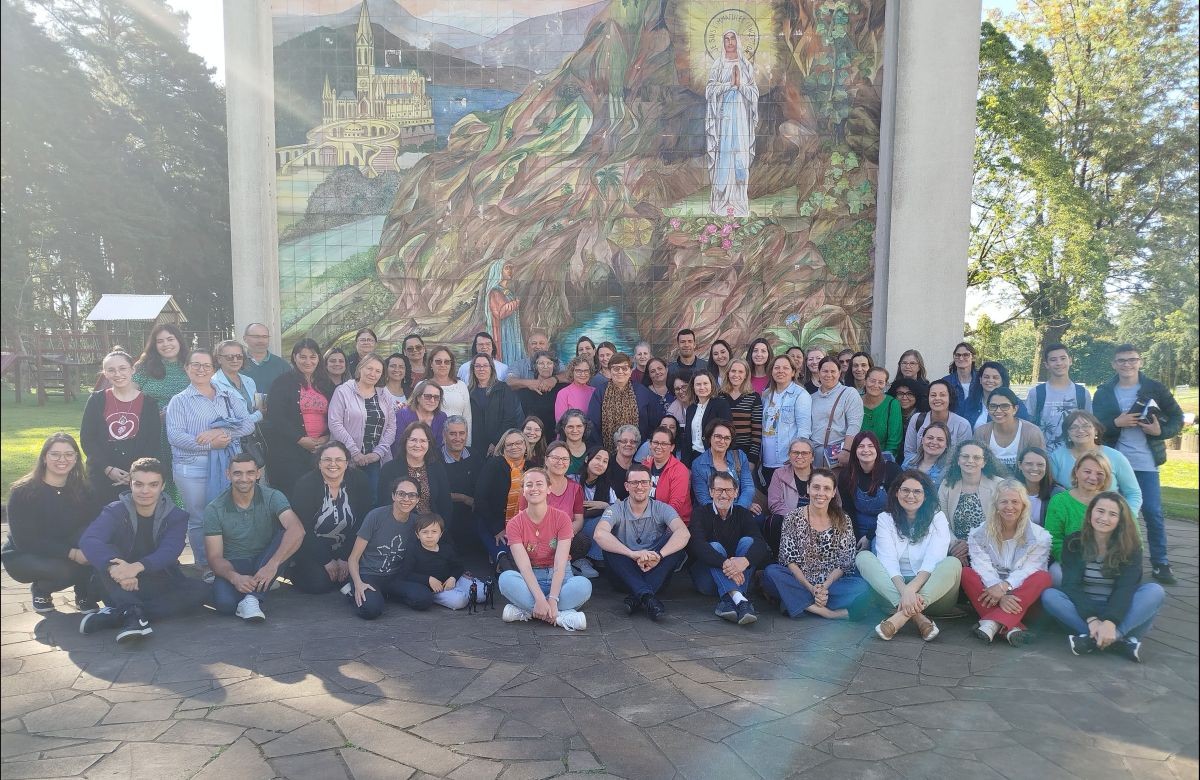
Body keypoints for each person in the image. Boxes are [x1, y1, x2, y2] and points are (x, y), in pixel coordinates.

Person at [77, 458, 209, 643]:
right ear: (130, 483)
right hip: (118, 583)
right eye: (138, 484)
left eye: (153, 485)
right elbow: (89, 540)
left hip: (156, 580)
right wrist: (115, 568)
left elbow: (170, 551)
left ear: (163, 486)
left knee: (201, 591)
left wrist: (136, 567)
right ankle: (132, 614)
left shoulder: (176, 516)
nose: (145, 491)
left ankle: (124, 614)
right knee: (108, 554)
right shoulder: (115, 510)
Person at [1092, 344, 1184, 584]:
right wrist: (1116, 422)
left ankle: (1161, 563)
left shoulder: (1155, 388)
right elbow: (1096, 425)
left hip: (1146, 463)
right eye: (1121, 360)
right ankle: (1113, 561)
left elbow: (1177, 418)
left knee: (1152, 512)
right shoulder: (1104, 391)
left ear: (1140, 361)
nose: (1127, 364)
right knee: (1110, 513)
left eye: (1132, 360)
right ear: (1114, 364)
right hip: (1114, 462)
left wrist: (1160, 430)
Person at [1041, 492, 1164, 661]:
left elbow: (1126, 589)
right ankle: (1120, 643)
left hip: (1121, 613)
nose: (1104, 518)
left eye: (1112, 514)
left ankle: (1099, 639)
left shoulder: (1131, 547)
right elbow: (1071, 586)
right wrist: (1092, 619)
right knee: (1050, 596)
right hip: (1083, 613)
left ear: (1120, 519)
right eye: (1100, 511)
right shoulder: (1074, 542)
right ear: (1091, 512)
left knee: (1155, 591)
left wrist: (1110, 622)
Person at [165, 348, 255, 569]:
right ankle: (205, 565)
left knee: (228, 514)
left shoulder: (228, 395)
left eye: (206, 365)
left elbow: (247, 423)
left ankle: (230, 560)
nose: (201, 369)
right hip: (192, 467)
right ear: (186, 368)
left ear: (213, 369)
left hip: (226, 465)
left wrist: (221, 435)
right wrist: (207, 444)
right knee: (199, 518)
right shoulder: (180, 401)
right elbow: (175, 436)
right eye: (195, 364)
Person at [856, 471, 962, 641]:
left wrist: (911, 590)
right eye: (905, 490)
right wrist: (905, 592)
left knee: (953, 563)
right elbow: (888, 562)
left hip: (934, 595)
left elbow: (933, 561)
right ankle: (919, 618)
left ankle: (899, 618)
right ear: (896, 492)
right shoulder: (885, 519)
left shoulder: (937, 517)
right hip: (893, 592)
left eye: (917, 491)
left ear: (925, 495)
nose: (910, 495)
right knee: (863, 558)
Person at [2, 434, 100, 613]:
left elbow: (93, 527)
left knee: (93, 545)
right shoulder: (23, 492)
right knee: (68, 570)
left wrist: (88, 550)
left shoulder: (84, 489)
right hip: (25, 554)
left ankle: (84, 594)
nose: (62, 459)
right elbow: (26, 542)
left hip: (67, 545)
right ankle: (41, 590)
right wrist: (72, 553)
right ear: (44, 458)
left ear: (76, 458)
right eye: (55, 454)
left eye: (69, 454)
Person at [203, 454, 305, 622]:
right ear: (228, 474)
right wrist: (235, 578)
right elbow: (214, 557)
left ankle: (252, 598)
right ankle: (259, 587)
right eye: (237, 473)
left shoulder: (273, 496)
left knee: (287, 535)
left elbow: (297, 529)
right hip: (235, 563)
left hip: (266, 558)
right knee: (225, 605)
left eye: (250, 473)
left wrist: (272, 565)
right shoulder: (214, 509)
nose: (244, 478)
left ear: (258, 474)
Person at [763, 469, 870, 619]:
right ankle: (826, 612)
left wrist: (824, 587)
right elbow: (789, 560)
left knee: (862, 587)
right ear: (808, 489)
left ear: (833, 493)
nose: (821, 493)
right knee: (771, 573)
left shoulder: (843, 520)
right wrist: (811, 588)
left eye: (827, 488)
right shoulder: (792, 517)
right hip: (799, 581)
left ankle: (796, 602)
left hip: (831, 585)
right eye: (816, 487)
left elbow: (845, 562)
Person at [594, 464, 691, 621]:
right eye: (634, 483)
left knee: (675, 542)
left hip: (654, 570)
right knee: (609, 545)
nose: (640, 487)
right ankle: (647, 596)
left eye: (644, 482)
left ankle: (638, 596)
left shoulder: (661, 508)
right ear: (626, 486)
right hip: (624, 575)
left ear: (651, 484)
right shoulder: (616, 509)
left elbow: (683, 533)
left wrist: (659, 556)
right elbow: (599, 534)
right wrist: (632, 554)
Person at [498, 468, 591, 630]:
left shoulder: (562, 518)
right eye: (529, 485)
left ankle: (527, 611)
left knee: (583, 585)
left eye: (539, 484)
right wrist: (540, 599)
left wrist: (553, 599)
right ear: (523, 491)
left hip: (562, 579)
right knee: (505, 579)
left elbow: (560, 564)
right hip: (531, 579)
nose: (534, 488)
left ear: (549, 489)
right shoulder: (514, 524)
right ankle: (561, 616)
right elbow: (524, 567)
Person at [962, 479, 1052, 645]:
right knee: (966, 573)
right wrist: (999, 593)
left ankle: (991, 624)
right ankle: (1011, 629)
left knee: (1042, 577)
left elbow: (1029, 570)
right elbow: (983, 568)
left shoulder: (1040, 537)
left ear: (1024, 505)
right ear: (995, 505)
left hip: (1023, 600)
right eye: (1004, 501)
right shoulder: (978, 534)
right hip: (991, 596)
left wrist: (1004, 588)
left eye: (1015, 502)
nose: (1009, 507)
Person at [288, 441, 373, 594]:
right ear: (319, 463)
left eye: (339, 460)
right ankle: (293, 571)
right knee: (319, 584)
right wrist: (326, 560)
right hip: (314, 548)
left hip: (350, 547)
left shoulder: (360, 480)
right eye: (327, 460)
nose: (333, 464)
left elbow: (363, 521)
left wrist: (346, 557)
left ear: (347, 463)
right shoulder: (305, 485)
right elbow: (303, 528)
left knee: (361, 576)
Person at [81, 349, 162, 505]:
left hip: (137, 479)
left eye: (122, 368)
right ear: (105, 373)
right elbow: (87, 439)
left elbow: (152, 443)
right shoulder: (96, 401)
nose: (117, 374)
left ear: (132, 370)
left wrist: (135, 474)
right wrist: (107, 469)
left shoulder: (149, 404)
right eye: (111, 370)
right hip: (102, 474)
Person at [346, 477, 433, 619]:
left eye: (412, 495)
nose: (406, 499)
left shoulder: (416, 522)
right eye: (401, 494)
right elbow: (353, 558)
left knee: (425, 599)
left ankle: (383, 595)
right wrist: (358, 583)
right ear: (393, 496)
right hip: (369, 575)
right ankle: (355, 593)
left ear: (418, 499)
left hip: (395, 577)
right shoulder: (375, 516)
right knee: (371, 610)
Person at [689, 472, 769, 624]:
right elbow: (697, 545)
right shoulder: (700, 513)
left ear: (736, 492)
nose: (723, 495)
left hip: (739, 575)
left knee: (748, 541)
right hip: (708, 580)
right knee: (714, 546)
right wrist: (725, 563)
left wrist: (745, 561)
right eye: (719, 490)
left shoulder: (743, 514)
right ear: (711, 492)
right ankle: (742, 600)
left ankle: (729, 600)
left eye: (728, 490)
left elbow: (760, 544)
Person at [263, 339, 332, 499]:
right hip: (289, 452)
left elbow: (335, 414)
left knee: (318, 496)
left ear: (319, 358)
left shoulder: (326, 383)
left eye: (313, 357)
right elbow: (276, 416)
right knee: (293, 495)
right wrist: (300, 439)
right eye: (303, 357)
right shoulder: (282, 382)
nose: (308, 361)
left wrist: (326, 437)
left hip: (320, 449)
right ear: (294, 357)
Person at [519, 441, 594, 578]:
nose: (560, 462)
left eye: (565, 459)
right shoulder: (533, 484)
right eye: (555, 458)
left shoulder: (575, 488)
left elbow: (578, 519)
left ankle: (567, 564)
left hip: (563, 538)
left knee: (583, 541)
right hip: (535, 537)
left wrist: (565, 533)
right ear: (546, 460)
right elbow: (522, 518)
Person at [328, 352, 396, 500]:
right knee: (345, 500)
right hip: (346, 458)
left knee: (373, 500)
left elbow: (391, 427)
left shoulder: (385, 395)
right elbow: (335, 423)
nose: (373, 373)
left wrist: (378, 453)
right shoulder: (343, 391)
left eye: (378, 371)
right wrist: (354, 452)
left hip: (375, 460)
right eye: (369, 368)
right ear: (360, 369)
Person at [706, 29, 758, 217]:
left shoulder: (746, 65)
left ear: (738, 41)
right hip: (723, 118)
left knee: (740, 156)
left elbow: (754, 93)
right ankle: (721, 203)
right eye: (726, 39)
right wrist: (729, 85)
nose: (729, 42)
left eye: (732, 38)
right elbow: (709, 90)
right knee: (725, 155)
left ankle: (739, 203)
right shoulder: (718, 64)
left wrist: (741, 86)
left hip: (741, 118)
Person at [1048, 410, 1142, 513]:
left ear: (1096, 430)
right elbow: (1052, 490)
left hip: (1107, 518)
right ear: (1067, 434)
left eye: (1086, 426)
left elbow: (1133, 493)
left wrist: (1127, 517)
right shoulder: (1057, 457)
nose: (1080, 430)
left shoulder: (1116, 457)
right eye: (1073, 427)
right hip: (1069, 516)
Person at [133, 323, 190, 482]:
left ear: (179, 340)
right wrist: (150, 416)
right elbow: (130, 395)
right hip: (152, 430)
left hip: (184, 430)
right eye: (160, 341)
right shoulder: (145, 366)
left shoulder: (191, 365)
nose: (166, 344)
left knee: (179, 477)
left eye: (170, 339)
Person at [940, 441, 1005, 564]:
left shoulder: (999, 485)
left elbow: (1003, 524)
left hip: (990, 549)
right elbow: (941, 522)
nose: (970, 460)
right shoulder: (947, 484)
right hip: (956, 550)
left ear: (984, 462)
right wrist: (956, 547)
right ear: (958, 460)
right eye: (965, 456)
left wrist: (972, 545)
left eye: (976, 457)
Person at [378, 421, 454, 525]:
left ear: (429, 444)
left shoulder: (437, 468)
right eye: (413, 440)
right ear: (405, 442)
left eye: (423, 441)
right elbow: (384, 504)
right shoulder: (389, 469)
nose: (418, 445)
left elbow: (445, 503)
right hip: (400, 527)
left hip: (431, 530)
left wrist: (440, 530)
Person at [1045, 451, 1113, 565]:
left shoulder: (1113, 502)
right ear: (1076, 471)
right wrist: (1073, 562)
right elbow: (1053, 539)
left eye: (1100, 473)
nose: (1093, 477)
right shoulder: (1059, 501)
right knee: (1056, 575)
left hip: (1108, 562)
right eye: (1087, 471)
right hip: (1071, 561)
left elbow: (1130, 537)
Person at [404, 513, 482, 610]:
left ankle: (464, 591)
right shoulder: (413, 550)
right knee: (459, 601)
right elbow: (406, 573)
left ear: (441, 534)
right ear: (417, 534)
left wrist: (453, 578)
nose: (429, 536)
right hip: (436, 589)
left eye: (434, 532)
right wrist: (428, 579)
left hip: (451, 580)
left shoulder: (446, 548)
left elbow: (458, 566)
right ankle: (461, 594)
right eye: (425, 532)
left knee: (483, 593)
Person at [474, 429, 528, 569]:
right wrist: (497, 529)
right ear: (503, 447)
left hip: (522, 523)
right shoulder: (494, 465)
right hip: (492, 521)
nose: (514, 447)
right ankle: (501, 562)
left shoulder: (532, 467)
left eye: (518, 443)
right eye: (509, 444)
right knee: (504, 555)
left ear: (525, 445)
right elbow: (480, 498)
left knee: (520, 557)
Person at [838, 431, 901, 550]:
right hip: (857, 526)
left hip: (887, 527)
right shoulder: (846, 475)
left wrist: (870, 536)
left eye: (870, 446)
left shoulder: (892, 471)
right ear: (855, 451)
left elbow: (897, 509)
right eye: (861, 446)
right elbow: (848, 510)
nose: (866, 450)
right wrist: (854, 537)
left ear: (877, 449)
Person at [586, 353, 664, 448]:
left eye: (624, 368)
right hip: (607, 451)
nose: (620, 371)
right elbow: (593, 424)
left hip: (638, 450)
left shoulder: (642, 392)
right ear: (610, 371)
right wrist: (599, 449)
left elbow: (653, 423)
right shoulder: (600, 392)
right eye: (616, 368)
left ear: (631, 371)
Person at [1027, 342, 1092, 451]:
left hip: (1074, 455)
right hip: (1044, 457)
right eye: (1053, 360)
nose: (1059, 363)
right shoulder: (1037, 393)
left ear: (1070, 360)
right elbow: (1028, 426)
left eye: (1063, 358)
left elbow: (1089, 426)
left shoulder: (1082, 393)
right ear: (1046, 364)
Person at [760, 355, 812, 489]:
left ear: (793, 372)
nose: (780, 371)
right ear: (771, 371)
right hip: (766, 461)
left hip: (787, 462)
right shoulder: (766, 395)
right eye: (776, 368)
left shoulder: (800, 395)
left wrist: (796, 456)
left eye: (785, 368)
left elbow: (804, 430)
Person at [973, 387, 1045, 475]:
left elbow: (1039, 467)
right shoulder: (981, 433)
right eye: (993, 406)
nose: (998, 410)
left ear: (1015, 409)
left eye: (1005, 406)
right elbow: (976, 465)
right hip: (990, 485)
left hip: (1023, 485)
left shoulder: (1032, 433)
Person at [808, 357, 864, 468]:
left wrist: (847, 450)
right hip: (814, 454)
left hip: (838, 453)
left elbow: (854, 425)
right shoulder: (811, 397)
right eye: (825, 371)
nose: (829, 375)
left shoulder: (849, 393)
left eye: (833, 371)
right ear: (819, 373)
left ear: (839, 373)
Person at [690, 420, 758, 512]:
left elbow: (748, 487)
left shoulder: (740, 456)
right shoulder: (698, 464)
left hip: (739, 508)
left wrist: (741, 507)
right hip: (712, 513)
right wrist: (729, 513)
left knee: (758, 518)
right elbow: (704, 500)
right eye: (718, 436)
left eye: (727, 438)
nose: (722, 441)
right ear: (710, 437)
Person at [901, 379, 972, 462]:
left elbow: (963, 457)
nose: (937, 398)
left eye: (942, 395)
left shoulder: (962, 425)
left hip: (948, 473)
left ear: (950, 398)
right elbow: (909, 452)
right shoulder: (917, 419)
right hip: (919, 471)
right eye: (933, 395)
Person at [467, 352, 523, 454]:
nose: (481, 369)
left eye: (485, 365)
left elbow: (509, 419)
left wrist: (496, 442)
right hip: (475, 447)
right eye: (478, 366)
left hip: (498, 446)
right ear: (473, 369)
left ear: (491, 368)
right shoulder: (468, 392)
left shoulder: (503, 389)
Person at [441, 415, 478, 551]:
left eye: (461, 433)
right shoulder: (435, 459)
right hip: (446, 516)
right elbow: (436, 492)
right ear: (444, 435)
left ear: (467, 434)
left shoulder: (475, 455)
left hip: (472, 514)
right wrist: (463, 498)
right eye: (452, 434)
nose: (458, 438)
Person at [643, 426, 692, 525]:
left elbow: (675, 505)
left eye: (664, 444)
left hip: (672, 522)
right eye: (655, 442)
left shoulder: (680, 470)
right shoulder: (645, 466)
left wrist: (653, 522)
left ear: (672, 447)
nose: (659, 447)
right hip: (645, 519)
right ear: (650, 444)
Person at [681, 371, 731, 466]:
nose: (702, 387)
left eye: (705, 383)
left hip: (714, 457)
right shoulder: (691, 409)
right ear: (693, 387)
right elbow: (687, 438)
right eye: (698, 384)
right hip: (693, 458)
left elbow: (728, 432)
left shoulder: (721, 405)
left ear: (711, 385)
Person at [720, 359, 764, 469]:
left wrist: (752, 459)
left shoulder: (754, 397)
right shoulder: (719, 397)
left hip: (745, 454)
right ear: (728, 373)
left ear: (746, 375)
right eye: (733, 371)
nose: (736, 375)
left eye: (740, 372)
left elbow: (757, 432)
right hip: (722, 452)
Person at [212, 340, 264, 431]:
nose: (235, 360)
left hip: (251, 437)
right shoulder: (213, 384)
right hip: (229, 439)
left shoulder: (249, 381)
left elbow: (256, 407)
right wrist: (259, 414)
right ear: (219, 359)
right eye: (229, 357)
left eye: (239, 356)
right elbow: (231, 422)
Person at [963, 361, 1031, 430]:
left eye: (995, 377)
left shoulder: (1015, 403)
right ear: (980, 380)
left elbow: (1025, 429)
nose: (990, 380)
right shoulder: (969, 402)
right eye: (986, 377)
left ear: (1002, 381)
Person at [484, 261, 525, 366]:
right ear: (499, 271)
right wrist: (515, 303)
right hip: (503, 331)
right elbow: (500, 313)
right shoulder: (495, 291)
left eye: (511, 268)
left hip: (512, 329)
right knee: (506, 353)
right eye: (507, 268)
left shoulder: (508, 291)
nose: (510, 271)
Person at [516, 351, 566, 436]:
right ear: (535, 366)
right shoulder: (525, 391)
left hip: (556, 438)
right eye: (541, 363)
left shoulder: (563, 389)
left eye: (549, 363)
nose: (545, 366)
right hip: (533, 437)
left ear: (554, 366)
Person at [428, 346, 472, 439]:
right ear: (431, 364)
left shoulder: (461, 385)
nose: (443, 365)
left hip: (457, 440)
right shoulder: (422, 386)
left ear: (451, 365)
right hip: (431, 440)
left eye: (447, 362)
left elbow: (467, 418)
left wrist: (467, 443)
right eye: (438, 361)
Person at [395, 380, 448, 456]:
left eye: (436, 397)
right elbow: (398, 445)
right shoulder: (403, 414)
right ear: (418, 398)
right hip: (404, 461)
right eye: (427, 396)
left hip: (432, 462)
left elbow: (438, 447)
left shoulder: (442, 417)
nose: (432, 400)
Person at [861, 366, 902, 462]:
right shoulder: (855, 401)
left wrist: (882, 462)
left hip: (882, 460)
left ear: (886, 385)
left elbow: (894, 440)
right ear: (865, 381)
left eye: (880, 382)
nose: (875, 385)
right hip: (857, 458)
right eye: (872, 381)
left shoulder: (892, 404)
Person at [1017, 446, 1064, 527]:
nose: (1035, 468)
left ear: (1046, 467)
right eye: (1029, 464)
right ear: (1020, 465)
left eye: (1040, 465)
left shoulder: (1058, 494)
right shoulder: (1011, 491)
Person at [767, 439, 813, 518]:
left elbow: (835, 504)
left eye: (804, 453)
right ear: (789, 455)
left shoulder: (822, 476)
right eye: (795, 452)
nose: (799, 456)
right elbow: (774, 504)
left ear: (812, 457)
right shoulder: (779, 474)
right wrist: (797, 518)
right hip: (788, 520)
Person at [240, 323, 290, 396]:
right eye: (256, 337)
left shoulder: (282, 365)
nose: (261, 340)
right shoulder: (237, 364)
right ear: (245, 338)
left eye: (265, 337)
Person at [901, 421, 952, 488]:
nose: (934, 442)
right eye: (930, 438)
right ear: (922, 440)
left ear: (946, 445)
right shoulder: (908, 461)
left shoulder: (949, 471)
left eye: (940, 439)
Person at [555, 356, 596, 423]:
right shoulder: (563, 393)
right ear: (572, 372)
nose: (583, 374)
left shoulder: (595, 392)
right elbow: (560, 423)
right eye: (578, 371)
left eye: (586, 371)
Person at [608, 424, 641, 500]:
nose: (628, 444)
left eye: (632, 442)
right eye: (624, 441)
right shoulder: (607, 465)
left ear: (636, 447)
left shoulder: (639, 469)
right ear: (617, 445)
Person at [942, 341, 978, 410]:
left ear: (973, 358)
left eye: (966, 355)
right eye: (958, 355)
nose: (961, 358)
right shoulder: (946, 382)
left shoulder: (981, 380)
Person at [556, 409, 591, 475]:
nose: (575, 430)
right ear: (563, 428)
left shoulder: (593, 449)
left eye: (579, 426)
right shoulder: (555, 450)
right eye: (570, 427)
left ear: (585, 427)